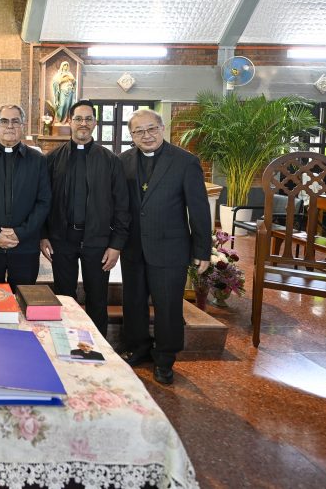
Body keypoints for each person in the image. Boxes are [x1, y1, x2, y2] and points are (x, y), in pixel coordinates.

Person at [119, 109, 211, 386]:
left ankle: (165, 358)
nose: (146, 135)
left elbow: (198, 209)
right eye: (138, 131)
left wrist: (202, 250)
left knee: (168, 306)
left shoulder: (185, 162)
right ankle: (138, 348)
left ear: (162, 128)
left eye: (151, 129)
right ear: (131, 135)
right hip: (133, 248)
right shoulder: (122, 161)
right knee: (133, 302)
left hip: (170, 249)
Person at [41, 100, 129, 337]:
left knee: (98, 299)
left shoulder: (111, 161)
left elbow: (122, 206)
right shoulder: (52, 159)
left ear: (95, 123)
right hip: (62, 240)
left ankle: (99, 346)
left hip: (98, 242)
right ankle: (65, 341)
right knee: (64, 297)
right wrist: (43, 235)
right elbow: (42, 201)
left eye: (88, 119)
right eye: (78, 118)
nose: (83, 123)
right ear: (69, 121)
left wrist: (116, 245)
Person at [0, 104, 51, 289]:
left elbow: (43, 201)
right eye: (4, 121)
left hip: (25, 246)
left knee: (23, 300)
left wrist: (19, 233)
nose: (10, 126)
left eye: (15, 121)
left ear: (23, 125)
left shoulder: (38, 160)